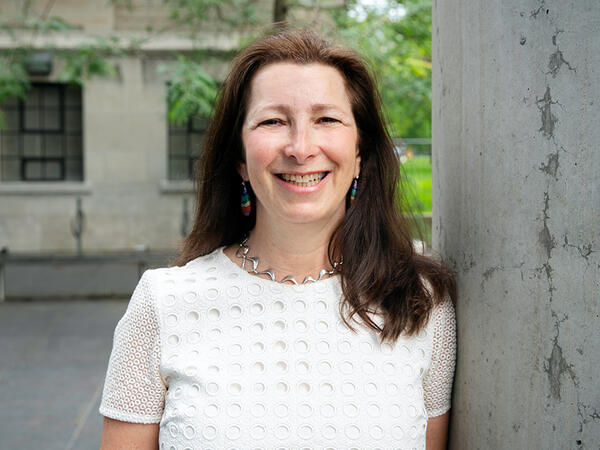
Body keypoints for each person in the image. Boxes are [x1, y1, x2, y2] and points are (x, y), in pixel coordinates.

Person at [99, 28, 456, 449]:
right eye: (273, 121)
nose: (301, 148)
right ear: (240, 161)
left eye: (326, 119)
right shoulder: (163, 304)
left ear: (360, 153)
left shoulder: (420, 297)